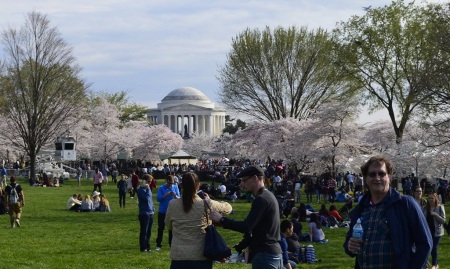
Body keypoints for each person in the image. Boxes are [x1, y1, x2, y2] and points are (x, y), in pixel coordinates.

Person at [344, 156, 432, 269]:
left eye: (382, 174)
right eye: (372, 174)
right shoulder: (361, 209)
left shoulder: (405, 204)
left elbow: (425, 244)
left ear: (389, 177)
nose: (377, 178)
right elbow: (349, 244)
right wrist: (349, 246)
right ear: (365, 178)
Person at [210, 165, 283, 269]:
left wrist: (222, 219)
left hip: (265, 255)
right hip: (273, 252)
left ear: (255, 178)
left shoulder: (261, 200)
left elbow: (246, 226)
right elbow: (258, 228)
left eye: (245, 180)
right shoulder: (269, 196)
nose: (243, 185)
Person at [165, 172, 232, 269]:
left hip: (179, 255)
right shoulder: (206, 203)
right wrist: (216, 201)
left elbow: (168, 225)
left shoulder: (172, 204)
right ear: (198, 186)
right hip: (201, 255)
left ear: (181, 186)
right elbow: (228, 208)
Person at [156, 174, 180, 251]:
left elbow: (179, 199)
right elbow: (158, 199)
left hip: (172, 211)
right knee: (161, 228)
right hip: (163, 211)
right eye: (169, 183)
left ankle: (171, 244)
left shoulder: (175, 188)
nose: (170, 185)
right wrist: (166, 195)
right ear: (167, 181)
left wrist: (175, 195)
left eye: (172, 183)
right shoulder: (161, 188)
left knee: (171, 229)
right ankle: (158, 244)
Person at [423, 192, 446, 269]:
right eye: (429, 198)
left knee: (433, 247)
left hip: (437, 232)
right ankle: (436, 264)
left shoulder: (440, 207)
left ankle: (434, 265)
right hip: (428, 231)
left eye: (432, 198)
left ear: (435, 199)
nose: (430, 200)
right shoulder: (425, 208)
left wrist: (436, 215)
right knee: (430, 247)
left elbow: (443, 221)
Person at [137, 179, 155, 252]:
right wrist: (148, 189)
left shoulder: (148, 189)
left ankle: (148, 246)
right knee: (144, 231)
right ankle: (143, 247)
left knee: (149, 232)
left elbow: (151, 200)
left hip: (150, 212)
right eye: (149, 182)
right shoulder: (140, 190)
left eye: (150, 182)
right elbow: (146, 199)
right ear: (144, 181)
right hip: (144, 213)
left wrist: (153, 208)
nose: (150, 183)